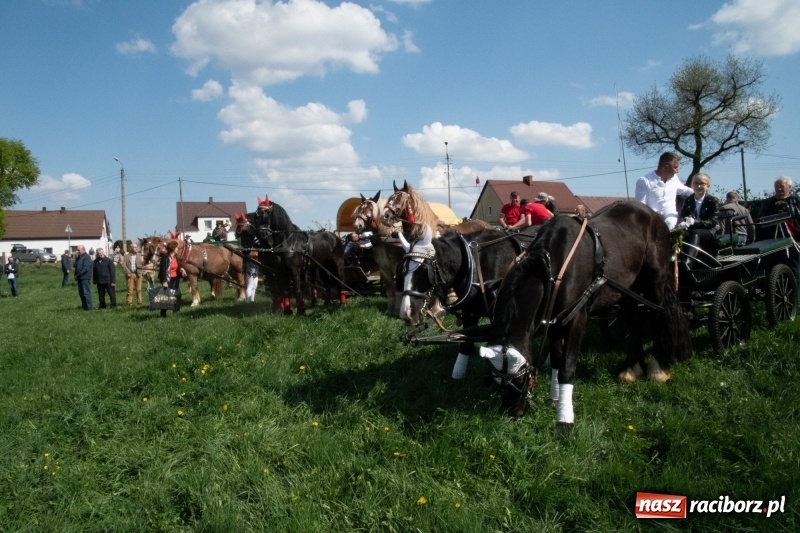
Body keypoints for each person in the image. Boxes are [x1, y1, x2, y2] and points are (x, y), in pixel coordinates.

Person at [634, 152, 693, 229]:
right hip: (652, 219)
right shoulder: (645, 181)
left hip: (671, 218)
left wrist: (704, 195)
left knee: (670, 224)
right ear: (665, 167)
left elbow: (685, 191)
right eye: (675, 167)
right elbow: (641, 205)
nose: (677, 171)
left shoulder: (674, 179)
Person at [677, 173, 721, 269]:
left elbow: (713, 222)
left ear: (708, 186)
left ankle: (687, 262)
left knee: (695, 234)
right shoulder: (688, 200)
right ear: (692, 185)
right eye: (695, 183)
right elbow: (683, 216)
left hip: (710, 230)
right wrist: (683, 222)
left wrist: (695, 222)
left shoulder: (713, 201)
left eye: (702, 183)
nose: (698, 186)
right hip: (692, 229)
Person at [157, 240, 185, 317]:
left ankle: (176, 311)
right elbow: (163, 270)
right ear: (173, 248)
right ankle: (163, 314)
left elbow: (178, 265)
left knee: (177, 295)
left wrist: (181, 269)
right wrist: (164, 281)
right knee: (167, 297)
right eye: (176, 248)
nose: (177, 249)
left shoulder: (175, 257)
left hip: (175, 279)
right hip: (168, 280)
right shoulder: (165, 257)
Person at [74, 245, 93, 310]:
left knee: (86, 293)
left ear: (83, 249)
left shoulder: (86, 257)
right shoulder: (79, 257)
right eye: (77, 250)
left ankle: (89, 307)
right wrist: (76, 258)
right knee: (81, 293)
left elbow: (85, 268)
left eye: (78, 250)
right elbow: (75, 266)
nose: (77, 251)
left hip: (85, 277)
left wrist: (78, 275)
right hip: (80, 278)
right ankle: (84, 306)